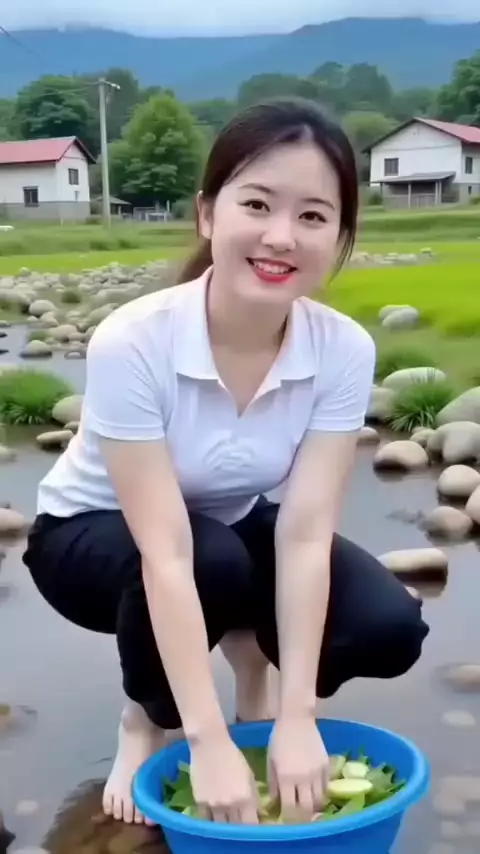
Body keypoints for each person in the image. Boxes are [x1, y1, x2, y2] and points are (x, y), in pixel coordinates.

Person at [23, 97, 429, 829]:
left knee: (386, 625)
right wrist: (204, 739)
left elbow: (304, 536)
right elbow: (168, 553)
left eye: (313, 215)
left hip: (228, 527)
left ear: (340, 235)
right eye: (258, 204)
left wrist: (298, 718)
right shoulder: (135, 340)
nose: (282, 236)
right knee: (208, 558)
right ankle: (145, 718)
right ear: (209, 214)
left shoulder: (342, 348)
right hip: (91, 535)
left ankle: (249, 657)